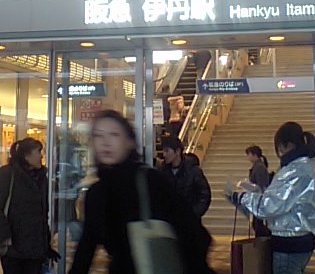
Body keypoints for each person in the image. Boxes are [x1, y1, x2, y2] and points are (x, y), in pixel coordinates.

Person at [69, 109, 215, 274]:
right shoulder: (96, 193)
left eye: (114, 134)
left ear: (130, 142)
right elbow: (85, 249)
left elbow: (194, 234)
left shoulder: (151, 181)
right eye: (98, 135)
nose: (105, 142)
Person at [227, 122, 315, 274]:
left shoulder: (292, 171)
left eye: (279, 147)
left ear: (285, 145)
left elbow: (269, 206)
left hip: (288, 242)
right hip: (306, 240)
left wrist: (241, 197)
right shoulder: (314, 168)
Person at [0, 138, 58, 274]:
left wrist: (46, 244)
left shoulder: (41, 177)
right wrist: (5, 236)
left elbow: (43, 213)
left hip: (36, 248)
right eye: (38, 152)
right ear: (26, 156)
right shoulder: (6, 174)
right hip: (14, 247)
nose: (41, 156)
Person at [160, 136, 212, 218]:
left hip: (189, 218)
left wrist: (193, 214)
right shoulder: (163, 171)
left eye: (167, 151)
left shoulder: (193, 170)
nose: (164, 154)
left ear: (177, 151)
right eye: (163, 151)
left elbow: (204, 195)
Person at [245, 145, 271, 237]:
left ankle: (263, 239)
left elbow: (261, 185)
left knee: (257, 224)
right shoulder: (258, 166)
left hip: (259, 197)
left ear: (254, 155)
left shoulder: (259, 167)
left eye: (249, 154)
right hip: (257, 197)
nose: (248, 157)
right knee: (256, 223)